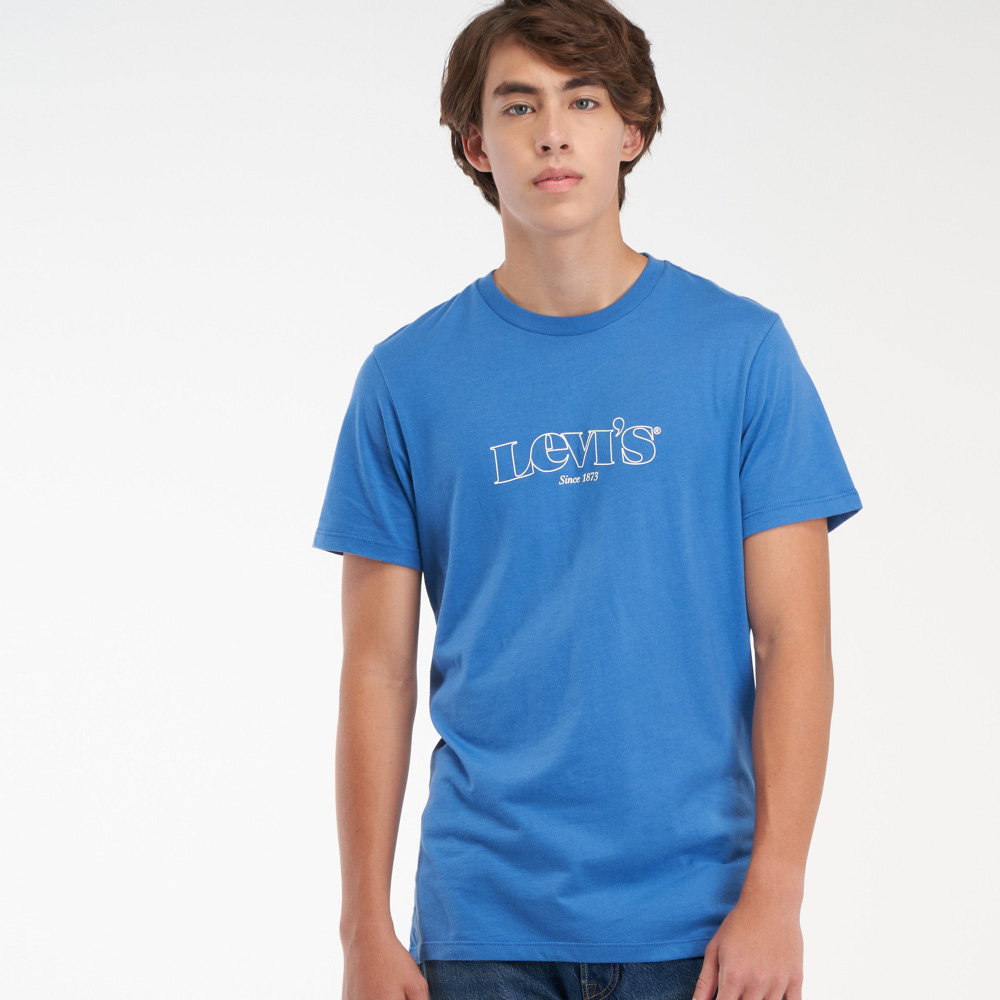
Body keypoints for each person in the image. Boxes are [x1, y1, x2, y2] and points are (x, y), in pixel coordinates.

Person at [312, 1, 862, 998]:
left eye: (584, 101)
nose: (552, 132)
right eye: (518, 106)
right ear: (476, 145)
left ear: (631, 132)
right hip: (484, 922)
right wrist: (362, 927)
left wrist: (776, 896)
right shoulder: (405, 380)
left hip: (701, 921)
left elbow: (793, 642)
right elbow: (378, 668)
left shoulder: (740, 353)